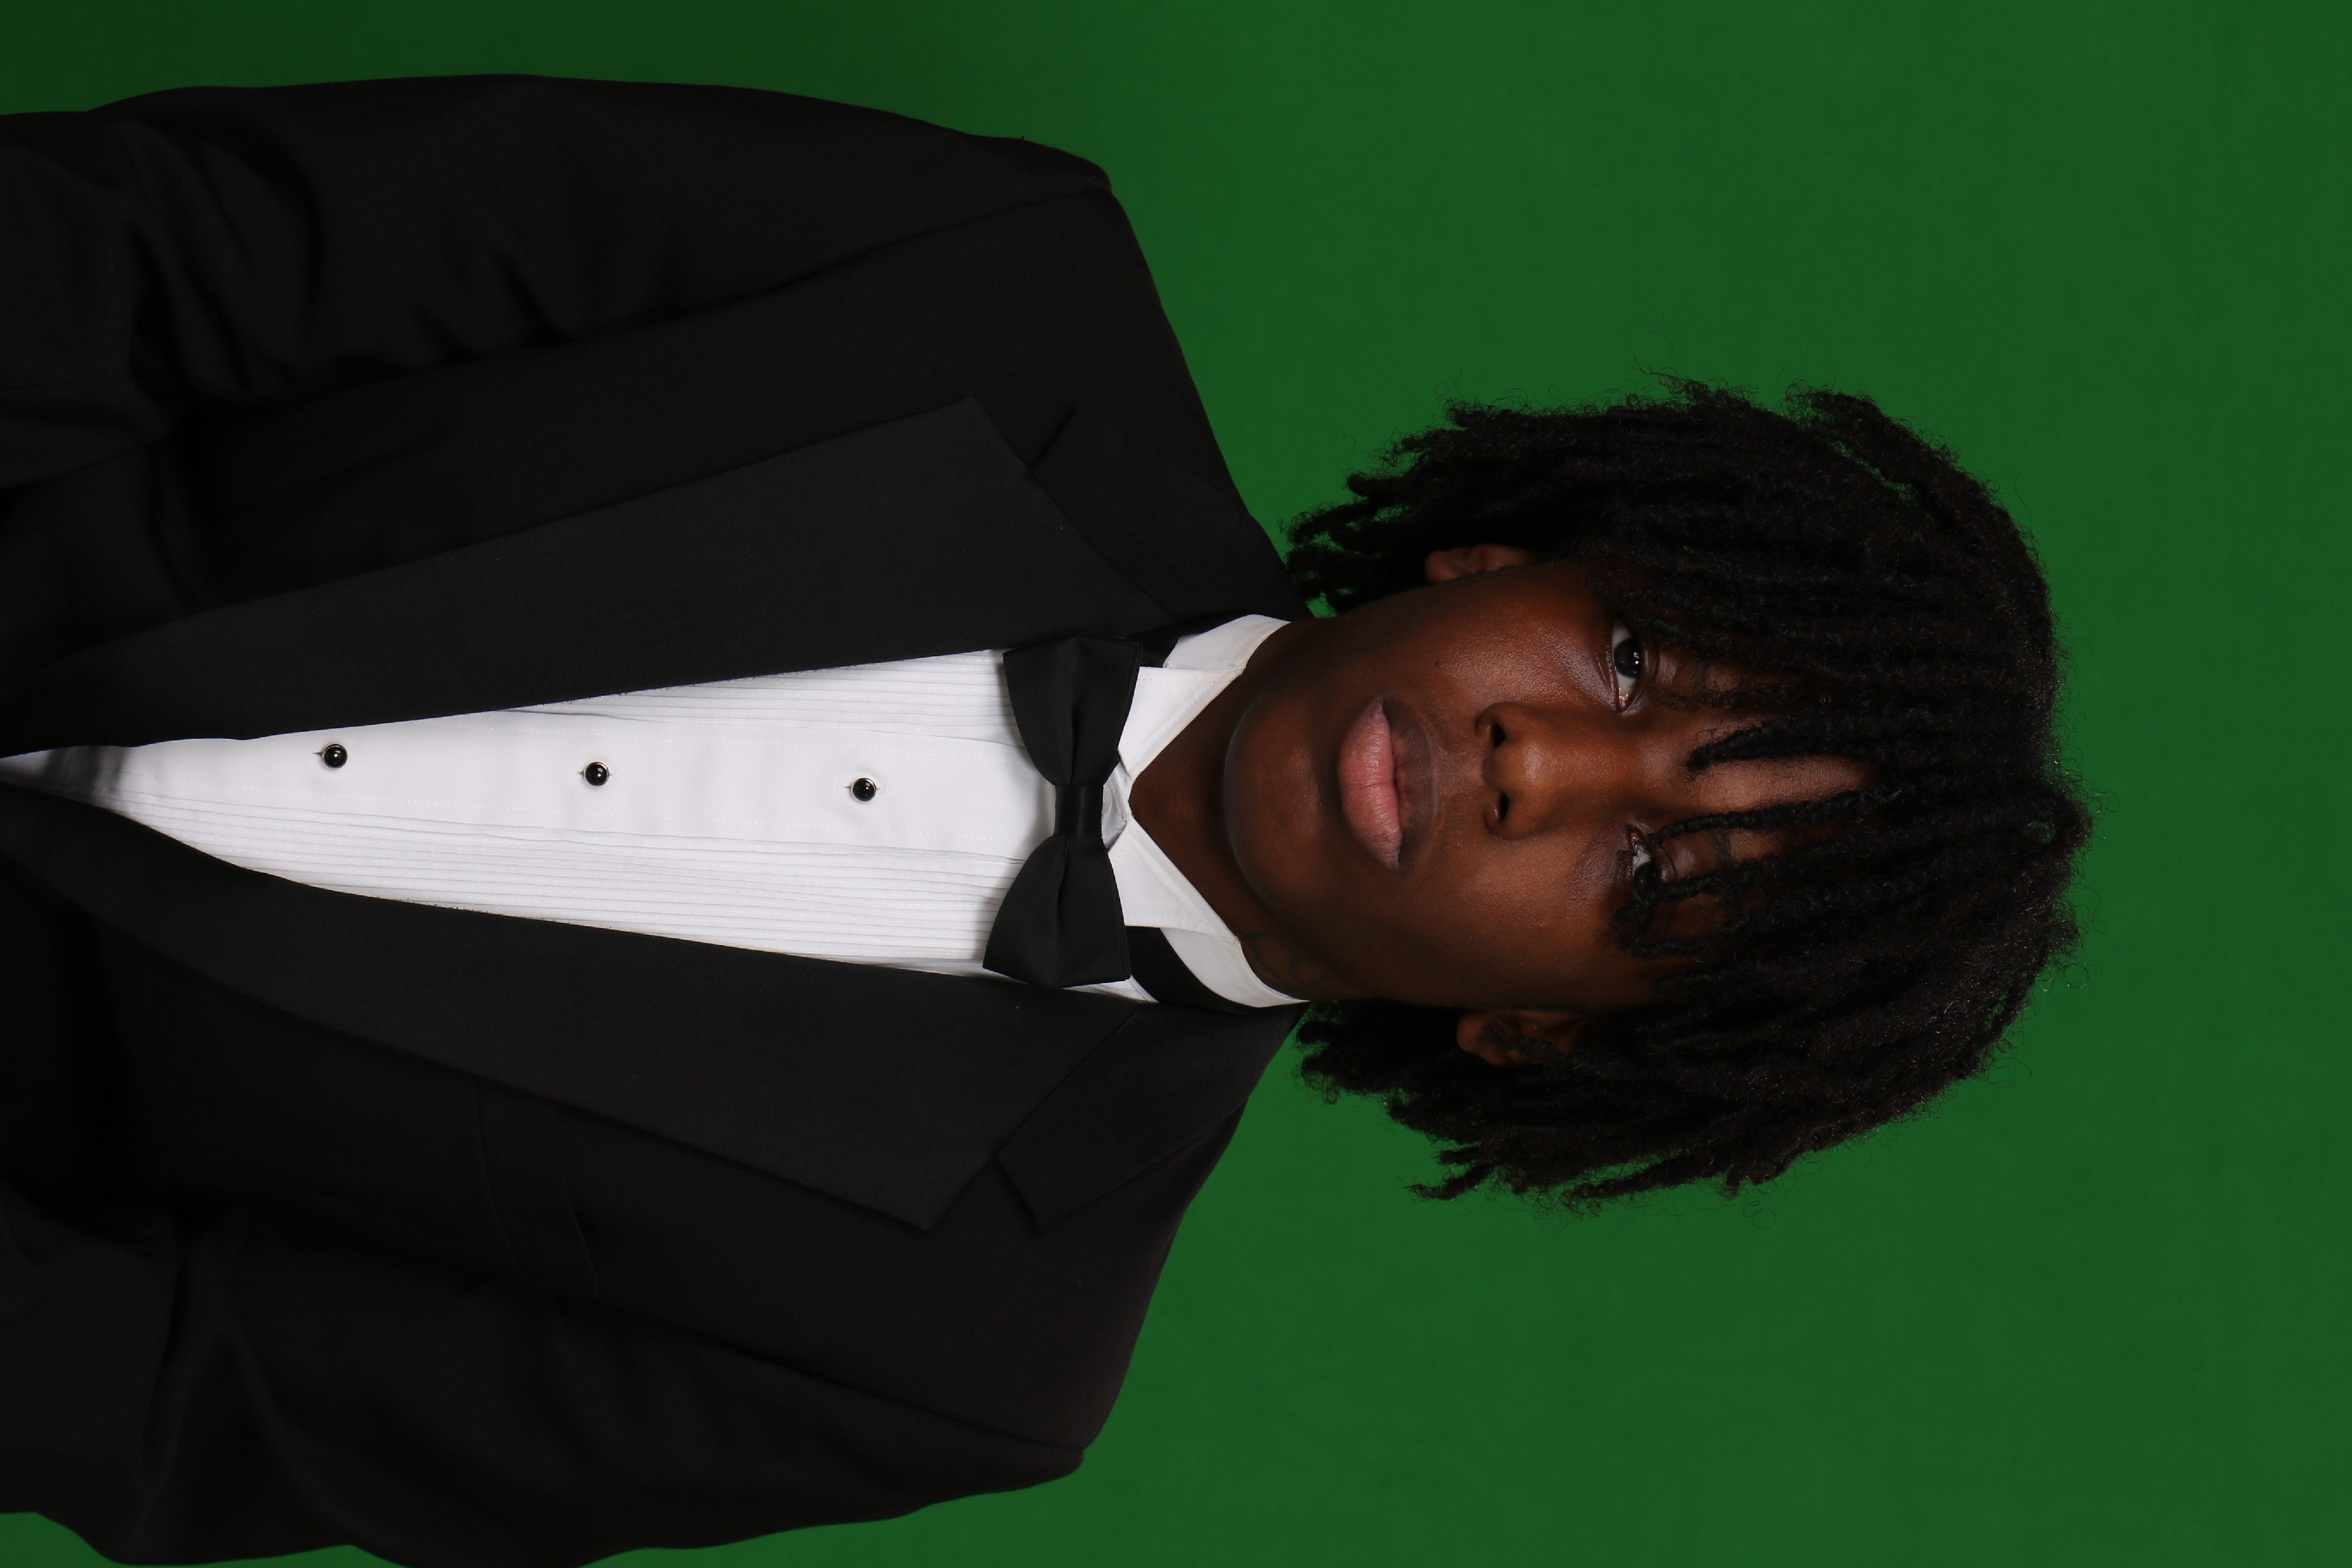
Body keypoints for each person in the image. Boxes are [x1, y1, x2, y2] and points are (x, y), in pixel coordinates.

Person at [0, 75, 2088, 1568]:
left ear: (1537, 1038)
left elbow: (175, 1399)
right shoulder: (981, 274)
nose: (1541, 763)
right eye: (1629, 664)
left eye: (1648, 875)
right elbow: (158, 248)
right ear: (1501, 561)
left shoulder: (957, 1360)